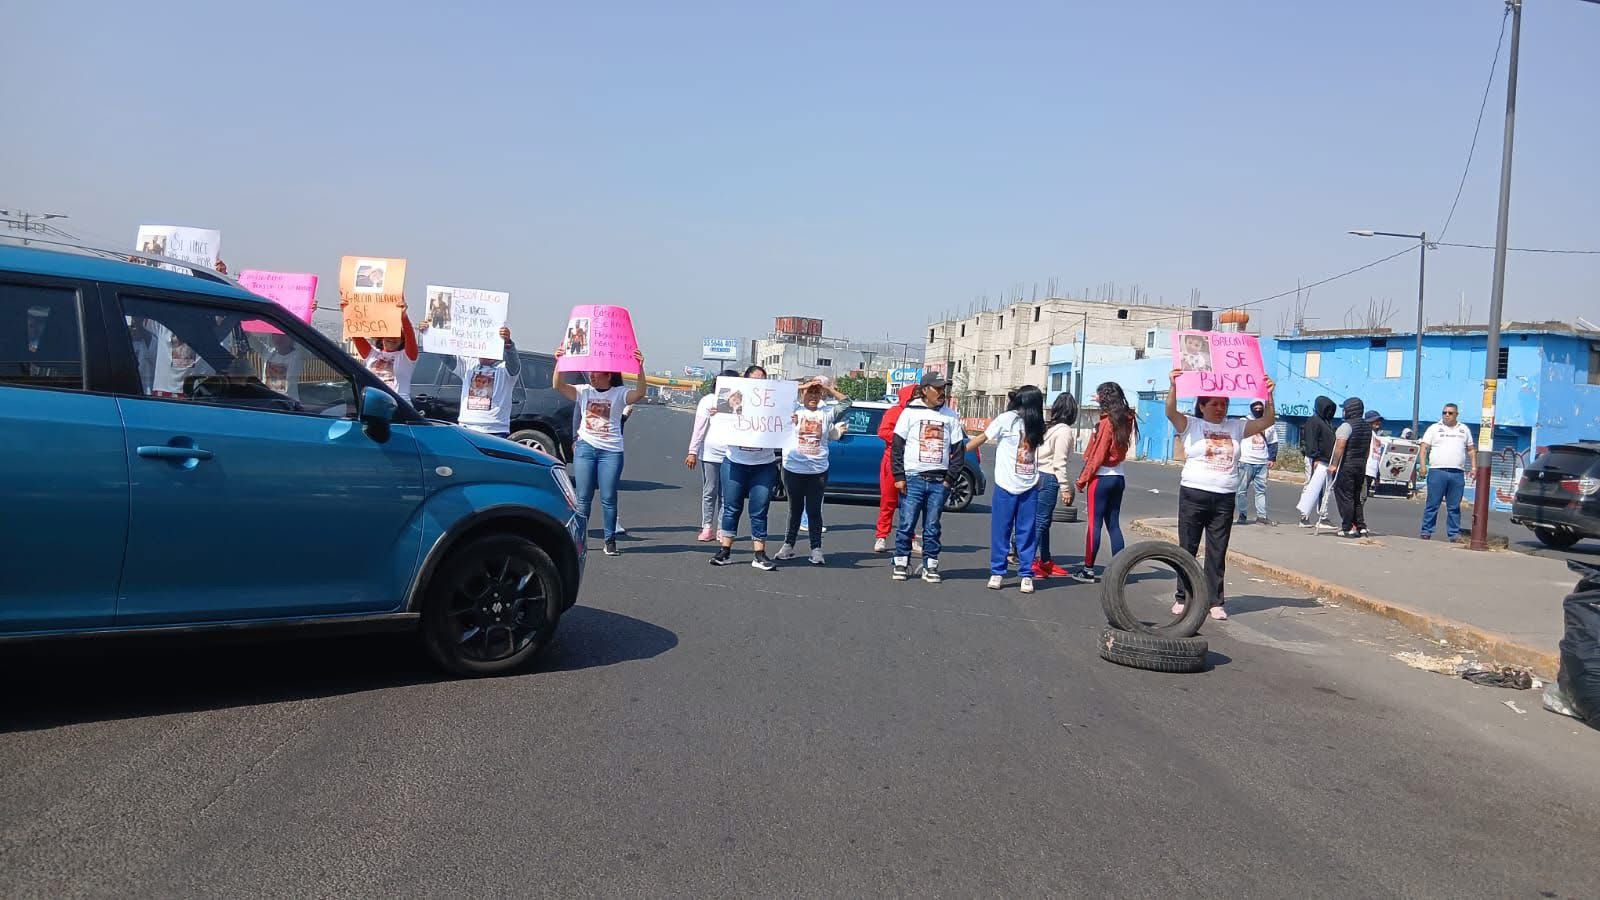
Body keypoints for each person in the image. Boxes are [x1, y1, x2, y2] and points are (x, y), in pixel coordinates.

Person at [1165, 372, 1277, 620]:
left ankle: (1215, 601)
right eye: (1214, 403)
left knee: (1218, 551)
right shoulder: (1191, 425)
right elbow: (1171, 412)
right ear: (1202, 405)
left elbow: (1268, 420)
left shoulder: (1236, 426)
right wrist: (1173, 386)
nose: (1219, 408)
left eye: (1224, 404)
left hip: (1224, 497)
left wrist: (1268, 394)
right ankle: (1183, 596)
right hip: (1193, 493)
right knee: (1187, 548)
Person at [552, 345, 647, 557]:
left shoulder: (620, 393)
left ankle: (610, 540)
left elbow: (640, 393)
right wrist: (559, 361)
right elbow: (558, 385)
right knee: (583, 497)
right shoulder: (584, 391)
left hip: (611, 451)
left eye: (596, 373)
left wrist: (640, 368)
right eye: (591, 373)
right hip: (586, 447)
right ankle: (579, 539)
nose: (592, 376)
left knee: (608, 497)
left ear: (609, 375)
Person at [967, 385, 1047, 592]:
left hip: (1029, 485)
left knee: (1026, 532)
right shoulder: (1006, 419)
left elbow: (1038, 454)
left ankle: (1026, 574)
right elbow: (982, 438)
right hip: (1005, 485)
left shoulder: (1036, 424)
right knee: (1001, 530)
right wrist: (957, 452)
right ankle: (997, 572)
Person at [890, 373, 965, 584]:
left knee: (932, 526)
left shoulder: (951, 416)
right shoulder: (910, 413)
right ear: (925, 390)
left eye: (944, 389)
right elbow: (897, 446)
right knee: (906, 522)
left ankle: (931, 564)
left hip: (939, 480)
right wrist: (899, 476)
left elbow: (958, 451)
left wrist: (950, 479)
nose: (942, 393)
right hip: (913, 477)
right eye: (938, 388)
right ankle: (901, 562)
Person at [710, 365, 781, 571]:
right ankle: (725, 551)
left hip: (764, 465)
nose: (758, 383)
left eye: (762, 379)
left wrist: (790, 421)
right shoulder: (733, 399)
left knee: (759, 510)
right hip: (735, 462)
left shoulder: (772, 403)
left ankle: (759, 554)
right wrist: (719, 413)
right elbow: (720, 423)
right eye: (754, 379)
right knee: (731, 507)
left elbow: (783, 423)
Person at [777, 378, 853, 565]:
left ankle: (816, 549)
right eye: (809, 393)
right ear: (803, 394)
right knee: (794, 509)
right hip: (793, 468)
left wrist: (826, 388)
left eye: (816, 393)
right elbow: (779, 394)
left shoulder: (827, 412)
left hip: (817, 470)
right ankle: (788, 546)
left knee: (813, 511)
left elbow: (847, 402)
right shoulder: (794, 409)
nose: (813, 396)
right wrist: (804, 385)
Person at [1073, 382, 1136, 583]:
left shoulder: (1107, 423)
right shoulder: (1126, 419)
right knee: (1114, 525)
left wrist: (1082, 479)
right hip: (1118, 476)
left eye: (1099, 396)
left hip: (1101, 478)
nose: (1097, 399)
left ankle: (1088, 570)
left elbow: (1098, 455)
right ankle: (1121, 571)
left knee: (1094, 524)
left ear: (1105, 398)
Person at [417, 322, 521, 437]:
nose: (485, 350)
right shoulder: (468, 365)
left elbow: (513, 361)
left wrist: (508, 343)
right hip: (467, 428)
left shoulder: (505, 370)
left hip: (495, 430)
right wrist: (430, 334)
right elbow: (445, 356)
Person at [686, 369, 740, 542]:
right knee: (710, 490)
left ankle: (722, 528)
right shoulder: (708, 401)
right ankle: (707, 526)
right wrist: (692, 451)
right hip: (710, 453)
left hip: (732, 454)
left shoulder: (742, 403)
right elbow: (699, 428)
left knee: (727, 494)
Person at [1032, 392, 1079, 580]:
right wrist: (1066, 488)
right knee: (1041, 522)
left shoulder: (1049, 428)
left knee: (1044, 522)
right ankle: (1029, 563)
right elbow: (1060, 462)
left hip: (1038, 476)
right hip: (1049, 478)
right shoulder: (1064, 431)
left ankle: (1045, 560)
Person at [1418, 403, 1478, 541]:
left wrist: (1474, 468)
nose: (1447, 415)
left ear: (1456, 414)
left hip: (1457, 473)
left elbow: (1470, 450)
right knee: (1432, 504)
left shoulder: (1464, 430)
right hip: (1437, 471)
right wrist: (1423, 466)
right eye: (1444, 412)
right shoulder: (1434, 428)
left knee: (1454, 506)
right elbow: (1424, 448)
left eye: (1450, 413)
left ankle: (1454, 534)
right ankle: (1426, 531)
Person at [344, 295, 419, 400]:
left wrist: (403, 316)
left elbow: (410, 335)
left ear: (403, 340)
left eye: (398, 336)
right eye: (390, 334)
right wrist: (348, 311)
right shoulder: (373, 354)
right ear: (382, 336)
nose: (392, 338)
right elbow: (355, 333)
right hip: (372, 405)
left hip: (399, 407)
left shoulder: (406, 358)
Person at [874, 384, 918, 553]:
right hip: (892, 461)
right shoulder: (894, 412)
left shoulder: (920, 413)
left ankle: (911, 538)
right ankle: (881, 536)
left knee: (911, 504)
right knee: (888, 502)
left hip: (912, 463)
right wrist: (902, 437)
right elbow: (883, 431)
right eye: (914, 395)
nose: (917, 398)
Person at [1327, 398, 1373, 537]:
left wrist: (1334, 464)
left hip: (1347, 466)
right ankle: (1360, 526)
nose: (1343, 412)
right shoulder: (1367, 427)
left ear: (1350, 410)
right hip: (1361, 465)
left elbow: (1340, 445)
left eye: (1344, 409)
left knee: (1345, 496)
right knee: (1356, 496)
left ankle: (1347, 527)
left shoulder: (1346, 426)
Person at [1295, 395, 1338, 527]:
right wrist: (1316, 458)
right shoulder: (1314, 421)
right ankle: (1304, 516)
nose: (1329, 412)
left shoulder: (1326, 422)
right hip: (1316, 460)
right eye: (1327, 409)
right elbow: (1311, 441)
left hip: (1326, 460)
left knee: (1326, 488)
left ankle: (1323, 516)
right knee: (1311, 487)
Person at [1235, 399, 1278, 525]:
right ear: (1251, 407)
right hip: (1245, 461)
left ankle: (1262, 516)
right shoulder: (1244, 422)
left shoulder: (1269, 424)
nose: (1258, 408)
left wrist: (1272, 458)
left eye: (1260, 406)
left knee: (1261, 490)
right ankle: (1242, 515)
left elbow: (1273, 442)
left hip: (1262, 462)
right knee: (1242, 490)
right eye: (1255, 406)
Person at [1363, 410, 1386, 500]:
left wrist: (1377, 474)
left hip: (1371, 472)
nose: (1378, 423)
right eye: (1375, 420)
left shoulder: (1375, 436)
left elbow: (1376, 456)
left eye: (1379, 420)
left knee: (1363, 498)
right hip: (1365, 470)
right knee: (1362, 497)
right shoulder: (1366, 432)